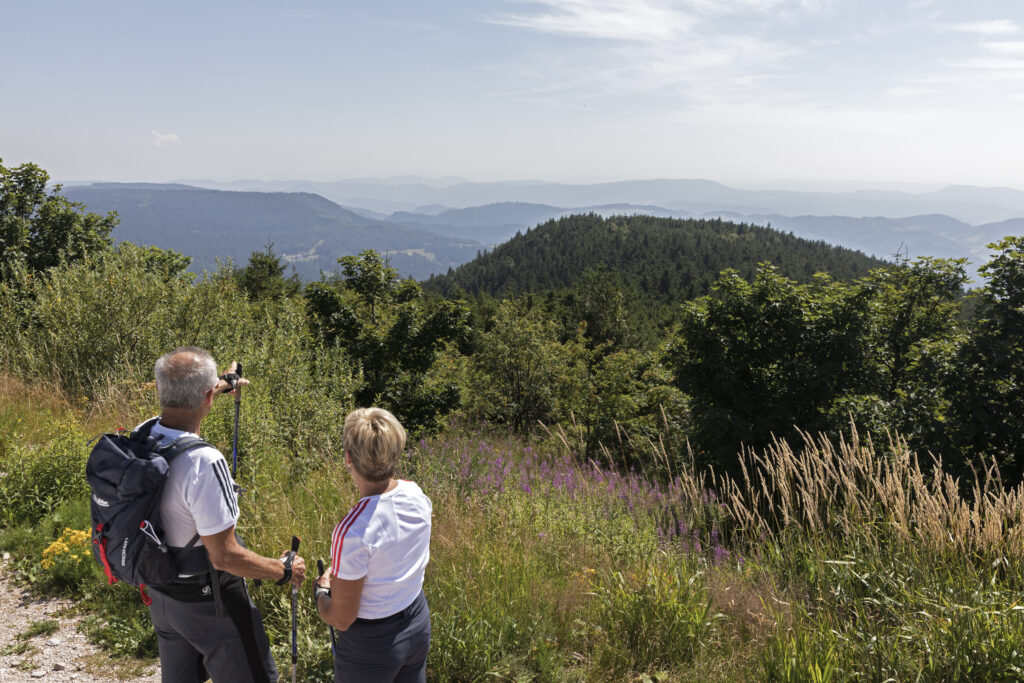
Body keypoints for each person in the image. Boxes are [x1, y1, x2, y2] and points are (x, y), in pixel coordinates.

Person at [146, 346, 306, 683]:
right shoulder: (205, 462)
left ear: (159, 390)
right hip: (212, 602)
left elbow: (187, 399)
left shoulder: (143, 435)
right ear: (206, 397)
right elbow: (224, 557)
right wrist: (283, 569)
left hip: (163, 596)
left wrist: (221, 384)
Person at [314, 407, 432, 682]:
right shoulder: (416, 494)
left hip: (371, 645)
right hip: (416, 620)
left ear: (348, 458)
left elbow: (341, 618)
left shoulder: (351, 531)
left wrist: (321, 593)